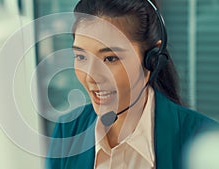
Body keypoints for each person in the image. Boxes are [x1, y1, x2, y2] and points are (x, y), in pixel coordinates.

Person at [45, 0, 218, 169]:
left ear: (152, 59)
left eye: (110, 58)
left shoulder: (203, 141)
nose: (91, 76)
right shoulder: (67, 131)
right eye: (81, 57)